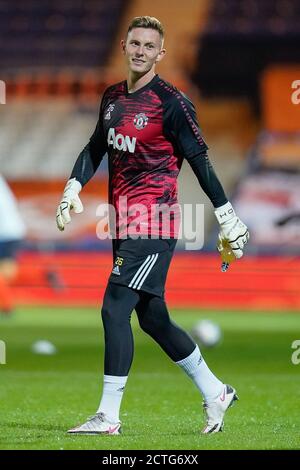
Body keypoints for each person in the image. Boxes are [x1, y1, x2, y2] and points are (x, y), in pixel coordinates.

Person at [56, 16, 249, 435]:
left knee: (113, 309)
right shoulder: (111, 98)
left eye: (150, 46)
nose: (141, 51)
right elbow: (94, 146)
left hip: (154, 222)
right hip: (123, 222)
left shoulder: (172, 103)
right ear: (124, 45)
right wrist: (74, 184)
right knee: (153, 318)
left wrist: (227, 214)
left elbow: (200, 161)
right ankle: (216, 391)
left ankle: (108, 417)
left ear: (161, 54)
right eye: (136, 43)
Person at [0, 174, 26, 316]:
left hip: (5, 232)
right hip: (11, 230)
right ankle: (43, 275)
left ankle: (7, 307)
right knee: (7, 272)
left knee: (5, 273)